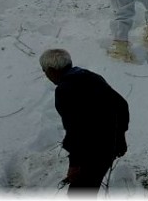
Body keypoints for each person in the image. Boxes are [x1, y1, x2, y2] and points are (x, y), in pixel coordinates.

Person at [39, 49, 129, 195]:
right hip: (108, 147)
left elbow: (76, 130)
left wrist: (74, 164)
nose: (46, 75)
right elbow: (121, 105)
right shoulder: (91, 77)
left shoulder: (64, 90)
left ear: (52, 70)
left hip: (91, 153)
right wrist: (120, 138)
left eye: (44, 71)